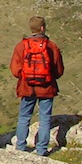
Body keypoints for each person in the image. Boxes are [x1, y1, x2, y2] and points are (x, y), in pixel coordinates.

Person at [10, 16, 64, 156]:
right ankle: (41, 150)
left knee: (24, 117)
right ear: (42, 28)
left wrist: (27, 76)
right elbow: (59, 71)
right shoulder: (51, 46)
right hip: (47, 88)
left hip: (27, 87)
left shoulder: (22, 46)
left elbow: (15, 70)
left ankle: (20, 147)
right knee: (45, 118)